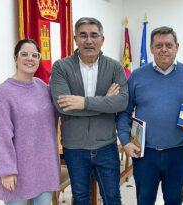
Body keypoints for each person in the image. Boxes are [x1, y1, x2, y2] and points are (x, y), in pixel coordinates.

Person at [116, 26, 183, 205]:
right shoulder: (137, 76)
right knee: (145, 200)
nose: (163, 49)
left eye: (168, 45)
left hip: (178, 153)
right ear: (151, 48)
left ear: (177, 47)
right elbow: (124, 113)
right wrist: (125, 141)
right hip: (145, 154)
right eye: (158, 45)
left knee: (174, 200)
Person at [49, 17, 128, 205]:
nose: (89, 41)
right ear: (75, 39)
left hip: (106, 146)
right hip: (74, 147)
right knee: (81, 198)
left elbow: (122, 102)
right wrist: (105, 102)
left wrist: (82, 102)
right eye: (83, 35)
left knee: (112, 198)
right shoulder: (61, 67)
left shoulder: (115, 67)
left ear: (102, 39)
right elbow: (63, 106)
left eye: (94, 35)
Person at [0, 39, 60, 205]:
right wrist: (6, 170)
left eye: (35, 55)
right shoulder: (4, 92)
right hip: (17, 170)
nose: (30, 58)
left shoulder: (42, 86)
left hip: (43, 166)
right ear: (15, 58)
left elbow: (57, 111)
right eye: (24, 54)